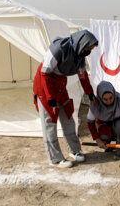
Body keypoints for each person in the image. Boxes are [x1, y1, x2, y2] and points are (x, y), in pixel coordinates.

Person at [33, 30, 98, 168]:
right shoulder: (58, 49)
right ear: (82, 43)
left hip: (61, 87)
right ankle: (55, 159)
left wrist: (90, 93)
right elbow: (45, 73)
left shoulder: (78, 54)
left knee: (68, 118)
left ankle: (74, 150)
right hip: (46, 87)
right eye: (88, 49)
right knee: (50, 124)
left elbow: (83, 75)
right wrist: (50, 99)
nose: (88, 52)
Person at [86, 81, 120, 160]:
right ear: (100, 98)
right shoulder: (94, 103)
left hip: (118, 124)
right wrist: (97, 140)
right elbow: (90, 123)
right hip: (104, 125)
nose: (109, 102)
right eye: (105, 99)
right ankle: (107, 145)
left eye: (111, 98)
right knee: (103, 135)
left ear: (114, 94)